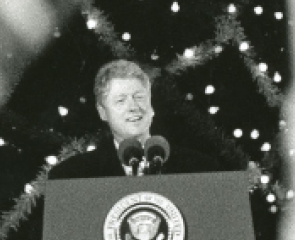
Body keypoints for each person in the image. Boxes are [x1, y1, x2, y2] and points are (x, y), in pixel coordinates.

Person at [47, 60, 219, 180]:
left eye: (139, 97)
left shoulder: (200, 168)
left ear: (151, 104)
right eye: (121, 100)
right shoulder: (72, 176)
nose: (133, 107)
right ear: (103, 112)